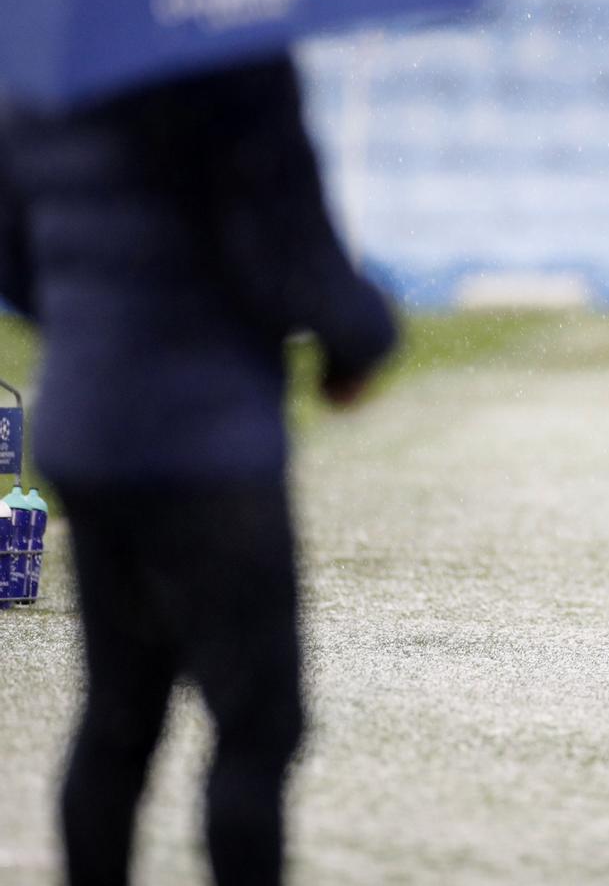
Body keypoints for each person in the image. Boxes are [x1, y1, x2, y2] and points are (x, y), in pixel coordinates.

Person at [0, 58, 400, 886]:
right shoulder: (233, 56)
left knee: (118, 717)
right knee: (257, 726)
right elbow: (285, 237)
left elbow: (15, 255)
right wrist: (358, 339)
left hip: (90, 428)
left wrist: (91, 326)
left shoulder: (39, 66)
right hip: (207, 443)